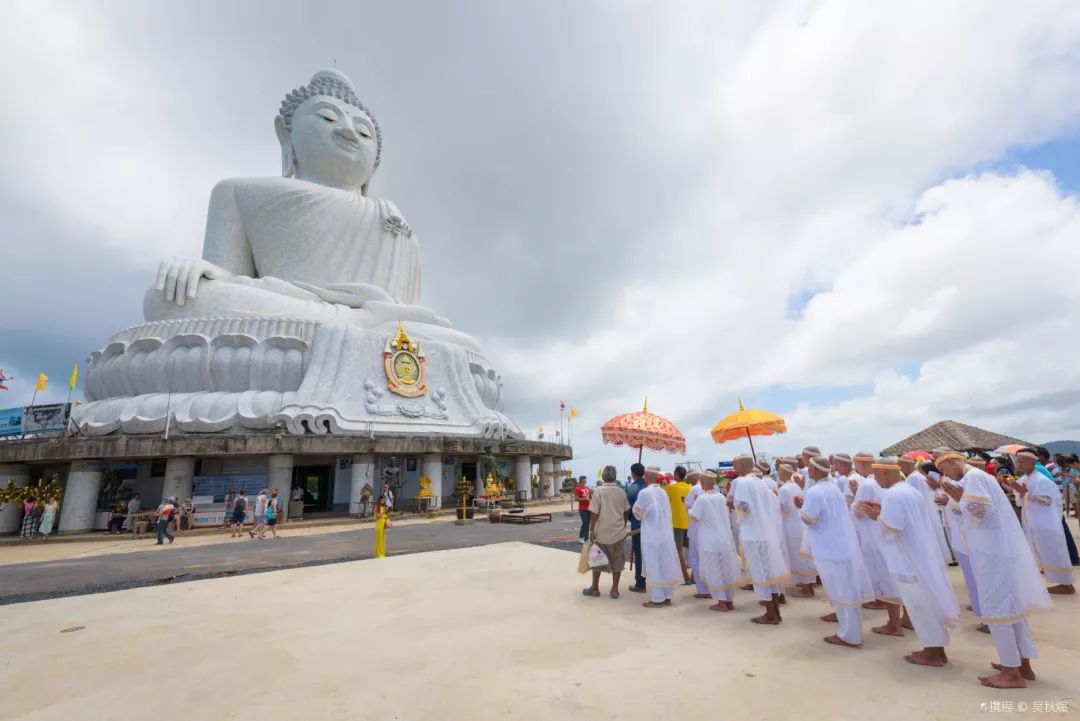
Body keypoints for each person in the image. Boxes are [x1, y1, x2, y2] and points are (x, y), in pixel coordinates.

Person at [935, 450, 1052, 688]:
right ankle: (1022, 665)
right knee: (1013, 609)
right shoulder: (975, 479)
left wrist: (961, 498)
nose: (944, 475)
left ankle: (1011, 672)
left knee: (998, 609)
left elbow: (981, 511)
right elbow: (977, 510)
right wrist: (958, 500)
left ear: (949, 462)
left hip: (993, 554)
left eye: (943, 469)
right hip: (996, 551)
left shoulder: (974, 478)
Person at [860, 457, 960, 669]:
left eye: (876, 476)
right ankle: (936, 649)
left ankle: (932, 652)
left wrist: (875, 517)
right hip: (917, 555)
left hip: (906, 560)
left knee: (919, 606)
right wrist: (881, 513)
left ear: (885, 473)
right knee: (925, 604)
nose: (876, 481)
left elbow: (892, 528)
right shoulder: (909, 491)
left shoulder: (894, 494)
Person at [800, 455, 873, 647]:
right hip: (842, 545)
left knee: (841, 592)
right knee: (847, 590)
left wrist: (800, 508)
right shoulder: (833, 488)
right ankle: (850, 632)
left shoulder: (815, 492)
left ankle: (849, 635)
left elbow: (808, 518)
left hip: (829, 549)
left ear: (815, 471)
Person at [731, 454, 789, 624]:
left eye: (735, 466)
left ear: (741, 466)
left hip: (753, 534)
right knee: (768, 572)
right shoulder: (761, 483)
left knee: (761, 573)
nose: (734, 470)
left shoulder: (742, 482)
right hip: (766, 532)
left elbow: (744, 507)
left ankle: (771, 613)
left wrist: (733, 504)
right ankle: (774, 611)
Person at [854, 461, 907, 635]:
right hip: (896, 541)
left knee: (888, 579)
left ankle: (894, 624)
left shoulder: (869, 485)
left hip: (877, 538)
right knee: (901, 580)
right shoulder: (905, 488)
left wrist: (855, 504)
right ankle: (906, 619)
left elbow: (858, 511)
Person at [1013, 449, 1075, 594]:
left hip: (1046, 523)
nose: (1019, 464)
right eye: (1018, 461)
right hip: (1034, 522)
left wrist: (1024, 493)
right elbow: (1020, 497)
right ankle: (1060, 583)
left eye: (1022, 461)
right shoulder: (1026, 478)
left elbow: (1046, 500)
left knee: (1054, 552)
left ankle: (1067, 585)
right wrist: (1011, 487)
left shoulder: (1042, 480)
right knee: (1043, 552)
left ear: (1033, 462)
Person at [689, 470, 743, 611]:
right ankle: (729, 600)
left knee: (714, 570)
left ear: (702, 481)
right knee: (726, 569)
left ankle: (722, 602)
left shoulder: (702, 499)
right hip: (724, 539)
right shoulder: (721, 497)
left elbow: (694, 517)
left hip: (710, 541)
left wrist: (692, 505)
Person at [632, 466, 682, 608]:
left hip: (651, 535)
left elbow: (637, 512)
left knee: (654, 566)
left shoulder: (644, 492)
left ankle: (657, 599)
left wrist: (642, 515)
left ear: (647, 476)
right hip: (665, 534)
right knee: (665, 565)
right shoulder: (663, 492)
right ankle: (667, 596)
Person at [583, 465, 630, 599]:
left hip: (601, 533)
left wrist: (592, 530)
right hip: (618, 533)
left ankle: (595, 588)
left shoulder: (598, 491)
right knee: (617, 561)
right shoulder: (621, 491)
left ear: (603, 477)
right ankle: (614, 590)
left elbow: (594, 514)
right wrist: (623, 525)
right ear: (615, 477)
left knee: (597, 559)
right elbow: (626, 512)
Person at [900, 455, 954, 565]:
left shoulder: (915, 478)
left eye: (900, 464)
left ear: (906, 464)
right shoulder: (914, 477)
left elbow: (919, 499)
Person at [1034, 447, 1080, 567]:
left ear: (1041, 456)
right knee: (1063, 531)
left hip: (1053, 504)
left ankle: (1072, 558)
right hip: (1055, 502)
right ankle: (1073, 558)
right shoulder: (1050, 466)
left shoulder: (1047, 468)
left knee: (1062, 531)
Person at [777, 460, 816, 597]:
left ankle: (806, 589)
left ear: (783, 473)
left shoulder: (783, 489)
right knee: (803, 557)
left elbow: (781, 509)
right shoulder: (796, 486)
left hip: (790, 527)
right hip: (799, 525)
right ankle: (809, 586)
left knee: (797, 557)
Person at [683, 469, 709, 598]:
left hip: (696, 529)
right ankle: (710, 588)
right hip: (707, 529)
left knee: (696, 560)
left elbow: (689, 508)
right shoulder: (711, 488)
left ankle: (703, 590)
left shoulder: (694, 490)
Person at [666, 466, 693, 584]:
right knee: (692, 549)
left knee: (678, 551)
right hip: (690, 521)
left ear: (677, 474)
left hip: (676, 522)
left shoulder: (671, 488)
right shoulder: (690, 487)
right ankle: (693, 575)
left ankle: (685, 576)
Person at [624, 463, 647, 593]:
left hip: (637, 524)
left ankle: (640, 582)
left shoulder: (633, 489)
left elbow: (628, 508)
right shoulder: (648, 486)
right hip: (650, 524)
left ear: (633, 473)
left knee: (639, 554)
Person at [574, 476, 592, 544]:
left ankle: (586, 538)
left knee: (587, 523)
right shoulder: (578, 488)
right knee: (585, 522)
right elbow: (576, 499)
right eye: (584, 479)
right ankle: (581, 536)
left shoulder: (587, 488)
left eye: (586, 479)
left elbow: (590, 497)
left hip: (589, 508)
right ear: (581, 480)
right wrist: (585, 499)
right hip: (582, 509)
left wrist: (592, 497)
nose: (585, 480)